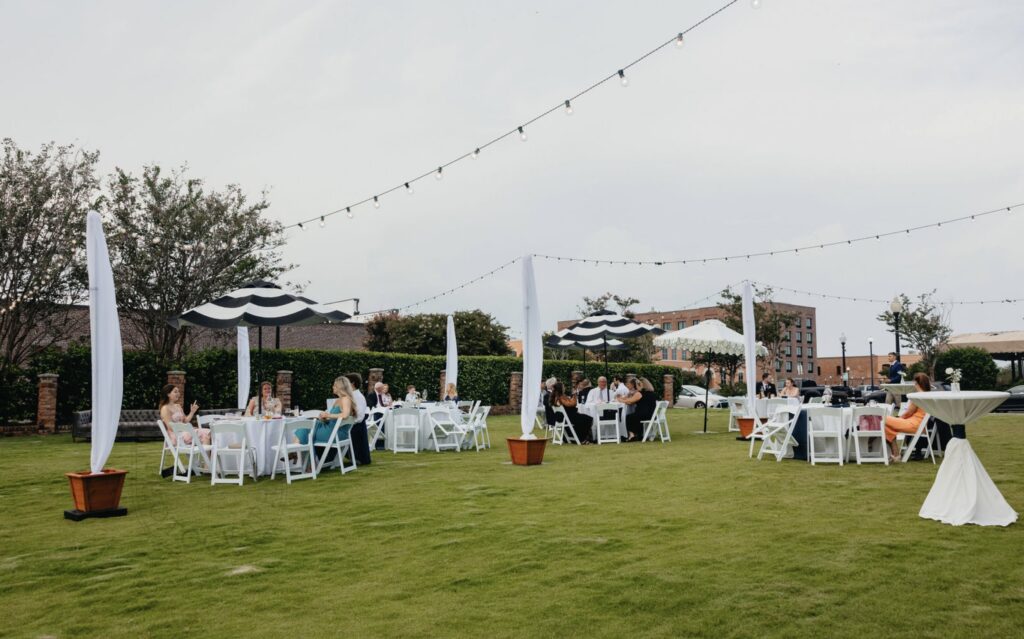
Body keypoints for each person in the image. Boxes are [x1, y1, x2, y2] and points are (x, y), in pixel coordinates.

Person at [295, 376, 357, 451]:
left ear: (340, 387)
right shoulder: (339, 400)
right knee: (306, 428)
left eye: (334, 385)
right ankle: (297, 453)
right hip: (333, 431)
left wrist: (328, 415)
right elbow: (335, 419)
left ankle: (296, 452)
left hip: (334, 434)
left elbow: (345, 415)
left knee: (305, 428)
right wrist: (325, 418)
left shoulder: (345, 399)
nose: (333, 387)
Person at [884, 373, 931, 463]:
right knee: (886, 426)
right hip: (919, 425)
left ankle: (872, 447)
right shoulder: (927, 395)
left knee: (882, 418)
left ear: (917, 383)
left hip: (913, 424)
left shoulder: (918, 396)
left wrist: (899, 419)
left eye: (915, 383)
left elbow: (908, 413)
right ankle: (896, 454)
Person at [345, 372, 372, 465]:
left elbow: (359, 417)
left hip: (357, 426)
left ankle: (357, 458)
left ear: (352, 384)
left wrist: (347, 422)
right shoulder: (351, 395)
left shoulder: (358, 397)